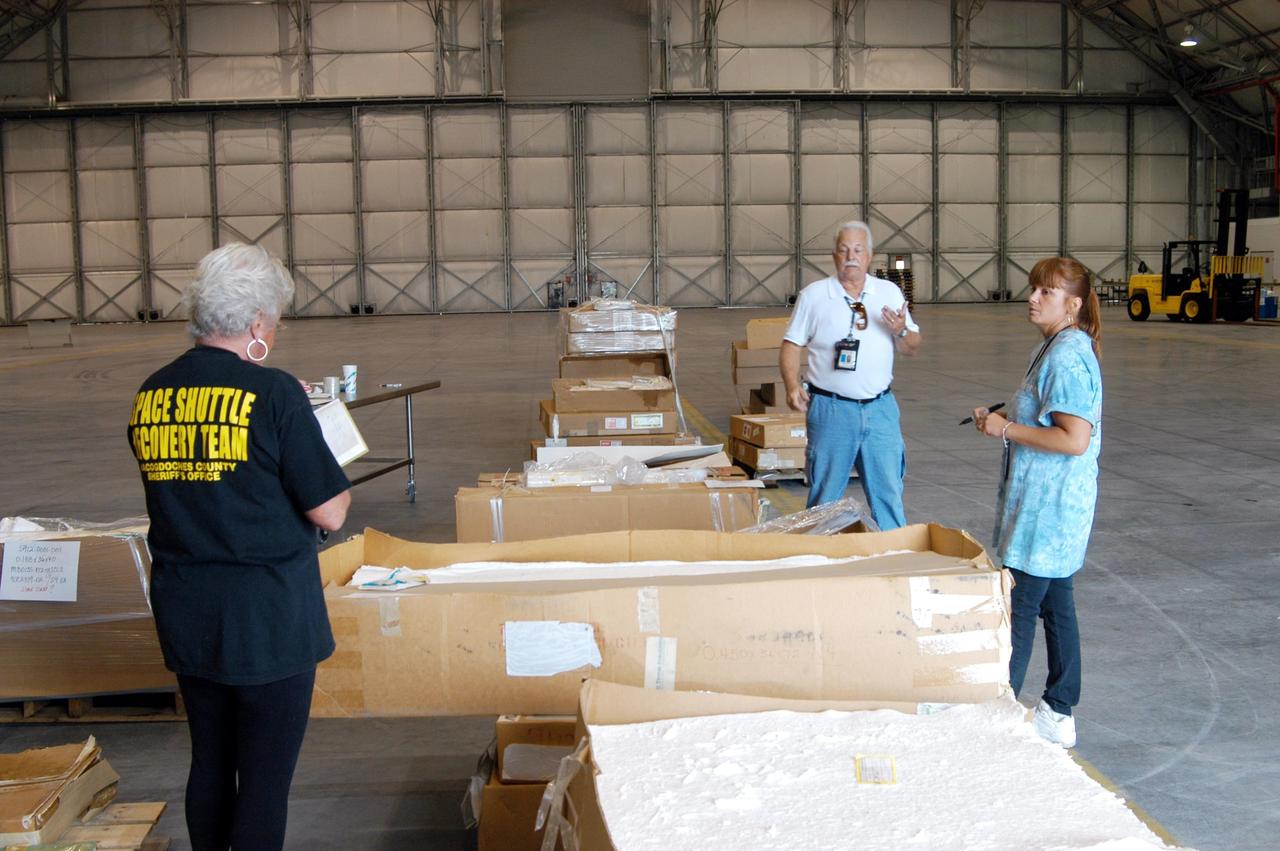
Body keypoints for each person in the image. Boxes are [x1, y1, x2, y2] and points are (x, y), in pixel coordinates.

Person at [126, 243, 351, 850]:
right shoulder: (276, 395)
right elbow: (328, 507)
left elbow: (206, 479)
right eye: (274, 321)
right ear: (256, 323)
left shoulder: (152, 394)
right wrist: (300, 420)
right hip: (267, 616)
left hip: (187, 608)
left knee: (210, 762)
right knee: (263, 781)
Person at [972, 256, 1103, 749]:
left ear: (1072, 304)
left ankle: (999, 714)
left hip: (1048, 511)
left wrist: (1005, 428)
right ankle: (1059, 710)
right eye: (1033, 288)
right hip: (1048, 508)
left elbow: (1073, 438)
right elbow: (1044, 410)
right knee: (1056, 605)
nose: (1032, 297)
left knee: (1020, 606)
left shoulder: (1068, 354)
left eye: (1045, 292)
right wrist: (1004, 413)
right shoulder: (1054, 345)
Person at [779, 220, 920, 529]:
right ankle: (818, 561)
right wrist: (791, 386)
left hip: (880, 410)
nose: (851, 256)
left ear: (870, 255)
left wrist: (901, 330)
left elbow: (912, 346)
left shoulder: (889, 292)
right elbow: (791, 345)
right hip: (831, 410)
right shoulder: (814, 295)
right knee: (824, 498)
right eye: (844, 250)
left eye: (858, 250)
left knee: (888, 493)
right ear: (834, 256)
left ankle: (892, 556)